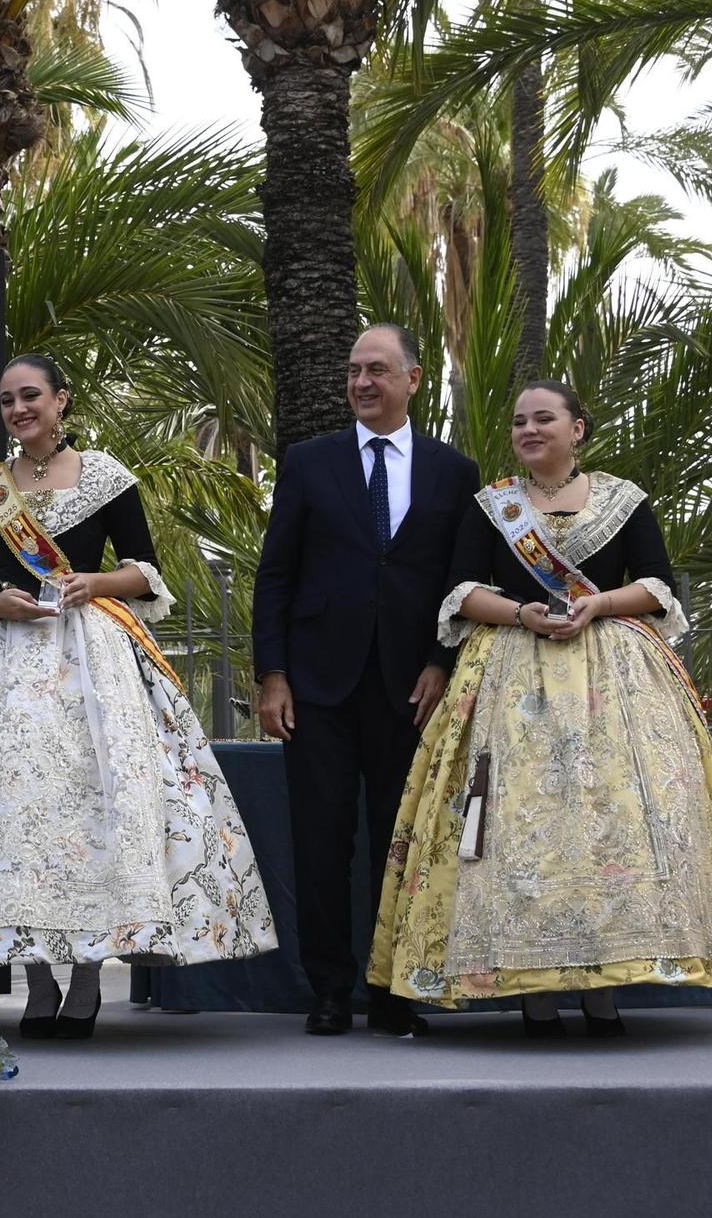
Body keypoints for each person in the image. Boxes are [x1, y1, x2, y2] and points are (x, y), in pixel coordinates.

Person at [0, 354, 276, 1041]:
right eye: (7, 399)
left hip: (90, 661)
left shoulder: (107, 478)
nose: (19, 408)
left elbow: (145, 570)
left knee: (88, 804)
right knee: (12, 812)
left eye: (31, 395)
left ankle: (86, 974)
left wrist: (94, 583)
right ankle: (37, 979)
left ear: (62, 401)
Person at [368, 381, 712, 1036]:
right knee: (512, 824)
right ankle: (533, 995)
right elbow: (462, 591)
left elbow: (656, 586)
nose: (529, 429)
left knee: (613, 822)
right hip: (508, 682)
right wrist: (520, 611)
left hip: (614, 682)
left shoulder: (623, 500)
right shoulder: (491, 507)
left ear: (577, 428)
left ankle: (604, 992)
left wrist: (598, 604)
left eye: (545, 418)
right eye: (520, 420)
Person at [253, 323, 481, 1037]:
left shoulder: (455, 471)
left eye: (377, 370)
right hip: (317, 684)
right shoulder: (308, 462)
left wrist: (443, 663)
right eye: (354, 370)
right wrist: (272, 675)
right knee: (321, 841)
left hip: (412, 688)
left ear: (414, 379)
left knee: (400, 840)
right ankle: (328, 989)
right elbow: (276, 576)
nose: (361, 383)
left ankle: (392, 989)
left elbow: (460, 581)